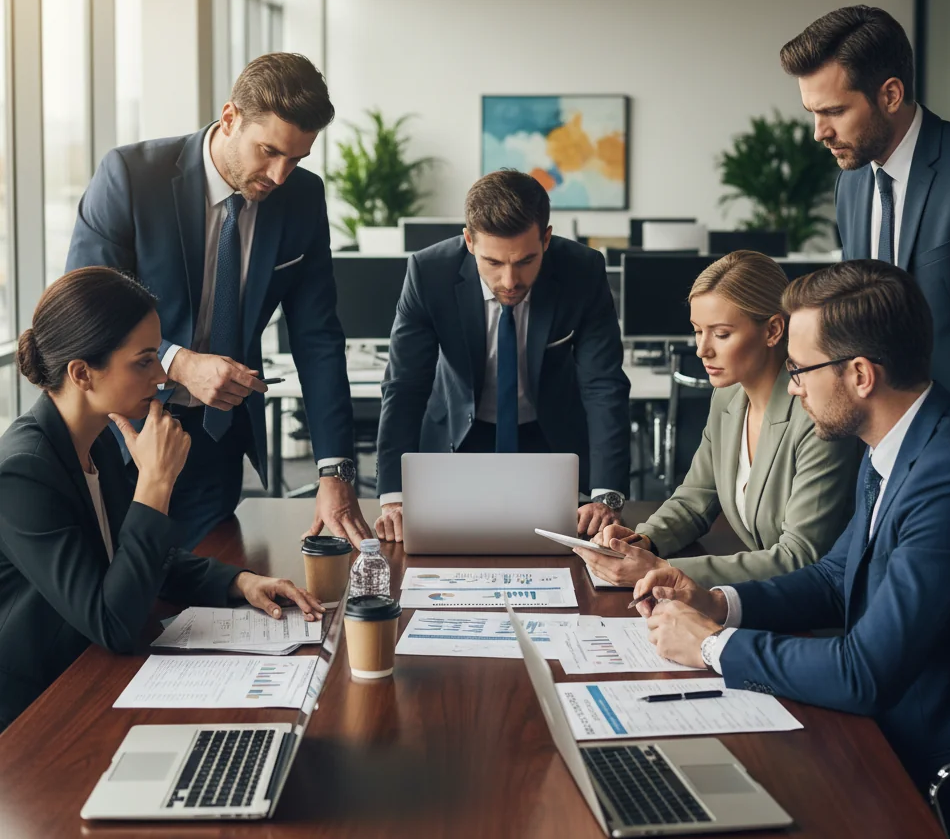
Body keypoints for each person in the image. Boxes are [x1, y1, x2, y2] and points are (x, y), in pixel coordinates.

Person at [633, 260, 950, 834]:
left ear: (860, 374)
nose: (792, 387)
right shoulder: (897, 441)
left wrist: (715, 646)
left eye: (800, 370)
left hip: (941, 769)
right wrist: (717, 602)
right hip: (883, 730)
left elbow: (865, 671)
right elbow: (833, 577)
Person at [66, 53, 371, 549]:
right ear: (230, 119)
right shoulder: (130, 177)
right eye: (268, 151)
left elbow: (317, 336)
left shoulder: (302, 199)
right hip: (119, 430)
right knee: (119, 596)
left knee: (212, 589)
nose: (278, 174)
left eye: (296, 159)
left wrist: (334, 469)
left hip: (214, 437)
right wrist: (177, 361)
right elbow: (81, 311)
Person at [0, 268, 324, 732]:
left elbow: (139, 559)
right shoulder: (23, 471)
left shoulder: (97, 442)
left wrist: (240, 583)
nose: (162, 378)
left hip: (90, 673)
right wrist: (155, 483)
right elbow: (112, 621)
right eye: (144, 362)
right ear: (81, 373)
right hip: (37, 708)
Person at [780, 5, 950, 461]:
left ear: (890, 94)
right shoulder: (850, 184)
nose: (819, 132)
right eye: (812, 112)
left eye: (833, 110)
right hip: (880, 450)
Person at [374, 170, 631, 542]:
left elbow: (603, 384)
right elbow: (404, 385)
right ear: (469, 241)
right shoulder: (429, 272)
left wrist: (606, 493)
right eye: (493, 263)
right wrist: (394, 497)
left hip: (549, 440)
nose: (510, 281)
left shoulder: (582, 271)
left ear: (546, 237)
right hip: (457, 438)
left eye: (526, 260)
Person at [576, 251, 859, 589]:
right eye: (698, 331)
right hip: (762, 594)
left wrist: (664, 571)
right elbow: (695, 499)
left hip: (819, 608)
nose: (702, 350)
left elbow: (799, 556)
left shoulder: (816, 416)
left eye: (721, 334)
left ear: (772, 330)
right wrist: (640, 543)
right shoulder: (729, 397)